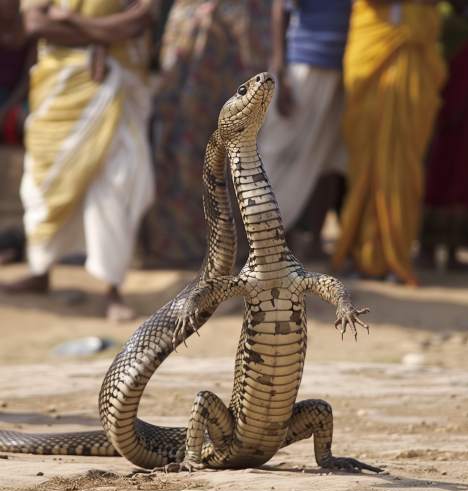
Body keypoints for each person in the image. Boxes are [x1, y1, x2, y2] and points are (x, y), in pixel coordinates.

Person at [0, 0, 158, 322]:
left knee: (118, 180)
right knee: (45, 184)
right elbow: (34, 24)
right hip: (59, 88)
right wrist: (103, 36)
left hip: (118, 88)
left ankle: (112, 288)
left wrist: (68, 18)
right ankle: (40, 272)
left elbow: (136, 25)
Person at [141, 0, 271, 268]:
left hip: (241, 41)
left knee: (238, 141)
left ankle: (234, 248)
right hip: (193, 35)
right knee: (181, 137)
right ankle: (176, 244)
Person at [331, 0, 447, 286]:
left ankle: (397, 256)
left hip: (415, 50)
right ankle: (363, 255)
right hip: (371, 47)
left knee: (402, 163)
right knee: (365, 163)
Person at [258, 0, 351, 260]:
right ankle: (266, 240)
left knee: (328, 159)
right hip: (303, 65)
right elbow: (281, 9)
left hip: (344, 69)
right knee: (278, 153)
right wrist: (281, 71)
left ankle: (315, 242)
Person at [418, 1, 468, 271]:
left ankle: (453, 248)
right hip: (457, 50)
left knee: (467, 152)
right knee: (445, 147)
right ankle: (428, 246)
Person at [0, 0, 36, 146]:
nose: (10, 2)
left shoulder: (30, 28)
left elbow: (28, 77)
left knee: (27, 120)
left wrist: (5, 111)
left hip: (17, 98)